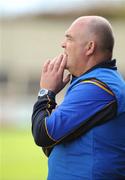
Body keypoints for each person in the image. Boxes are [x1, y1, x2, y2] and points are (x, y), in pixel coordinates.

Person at [31, 16, 125, 179]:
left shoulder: (97, 88)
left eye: (69, 38)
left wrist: (46, 92)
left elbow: (44, 134)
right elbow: (54, 145)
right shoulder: (94, 83)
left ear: (90, 47)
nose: (63, 44)